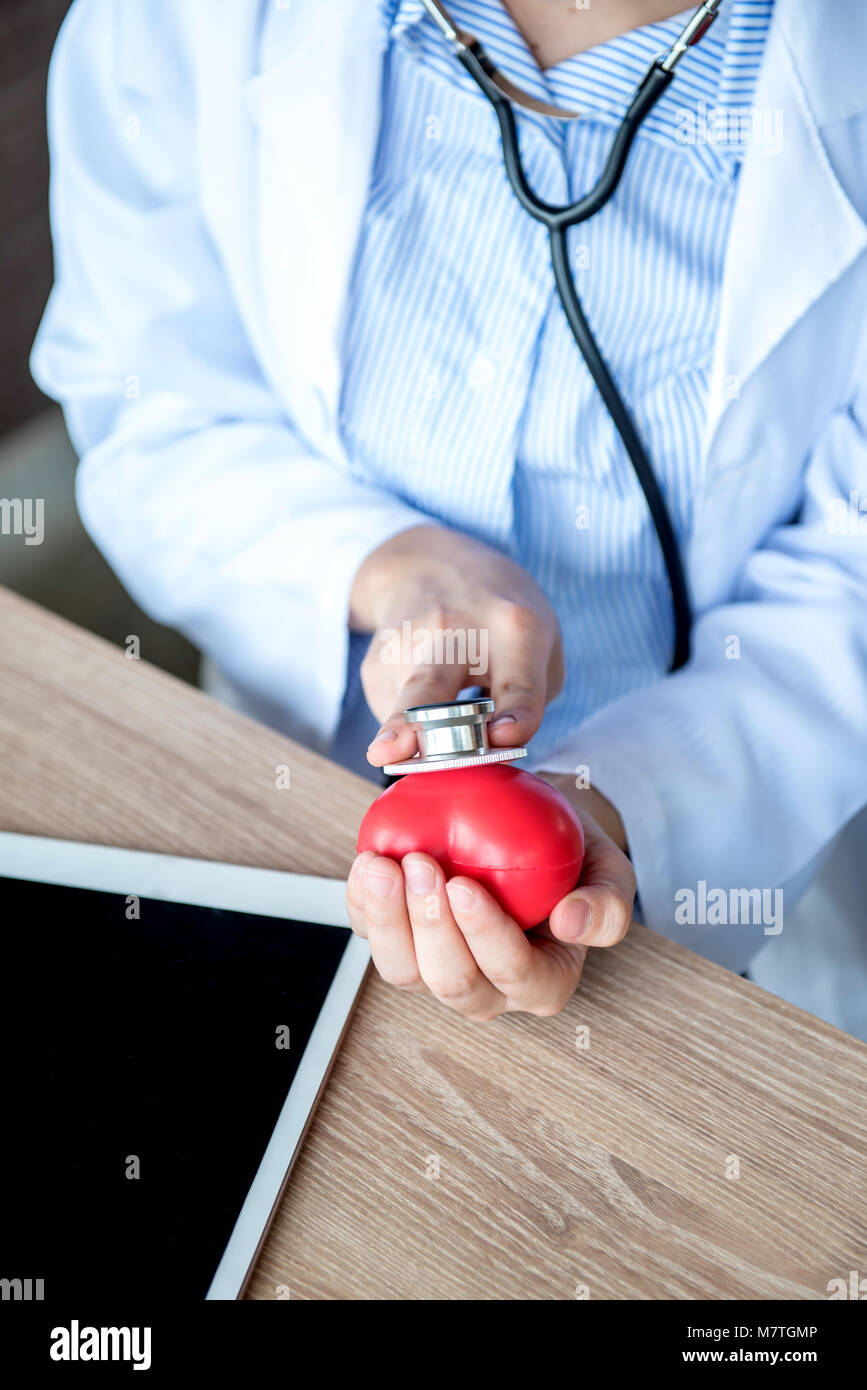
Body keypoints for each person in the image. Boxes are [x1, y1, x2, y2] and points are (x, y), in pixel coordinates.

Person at [32, 0, 867, 1034]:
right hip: (283, 798)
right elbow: (150, 405)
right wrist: (395, 570)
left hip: (715, 868)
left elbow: (851, 578)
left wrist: (610, 810)